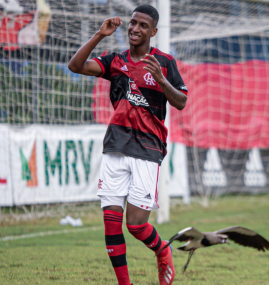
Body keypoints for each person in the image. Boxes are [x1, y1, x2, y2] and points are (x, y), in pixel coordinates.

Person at [68, 5, 187, 285]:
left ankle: (162, 249)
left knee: (135, 225)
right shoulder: (115, 60)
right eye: (133, 23)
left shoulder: (165, 62)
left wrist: (160, 79)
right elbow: (75, 66)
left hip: (147, 148)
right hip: (115, 145)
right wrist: (100, 34)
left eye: (143, 25)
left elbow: (180, 102)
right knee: (110, 220)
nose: (135, 29)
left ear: (153, 32)